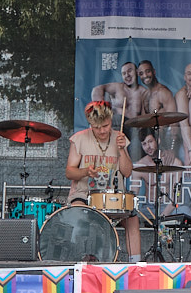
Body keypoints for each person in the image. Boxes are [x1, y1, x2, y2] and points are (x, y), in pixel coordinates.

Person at [65, 100, 141, 262]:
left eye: (105, 126)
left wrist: (122, 150)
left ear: (111, 120)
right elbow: (69, 172)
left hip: (113, 197)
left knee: (132, 219)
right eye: (96, 127)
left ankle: (135, 263)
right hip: (84, 195)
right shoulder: (79, 139)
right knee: (78, 212)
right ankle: (81, 260)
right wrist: (86, 171)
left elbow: (127, 172)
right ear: (90, 124)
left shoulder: (119, 138)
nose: (102, 131)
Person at [91, 61, 147, 160]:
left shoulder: (143, 92)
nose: (127, 75)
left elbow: (145, 116)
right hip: (116, 125)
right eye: (124, 73)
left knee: (135, 155)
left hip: (134, 129)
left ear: (137, 72)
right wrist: (100, 109)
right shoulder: (117, 87)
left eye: (130, 71)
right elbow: (97, 89)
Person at [130, 130, 182, 219]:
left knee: (183, 213)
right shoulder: (140, 165)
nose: (148, 147)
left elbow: (176, 196)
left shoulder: (175, 163)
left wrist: (163, 216)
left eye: (150, 141)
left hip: (168, 206)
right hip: (148, 207)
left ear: (158, 140)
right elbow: (134, 196)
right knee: (133, 218)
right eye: (144, 144)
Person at [137, 59, 180, 152]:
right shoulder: (145, 95)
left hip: (164, 143)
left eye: (148, 71)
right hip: (150, 143)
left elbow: (174, 123)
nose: (145, 75)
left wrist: (171, 149)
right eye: (141, 73)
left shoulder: (163, 92)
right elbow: (143, 124)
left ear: (154, 72)